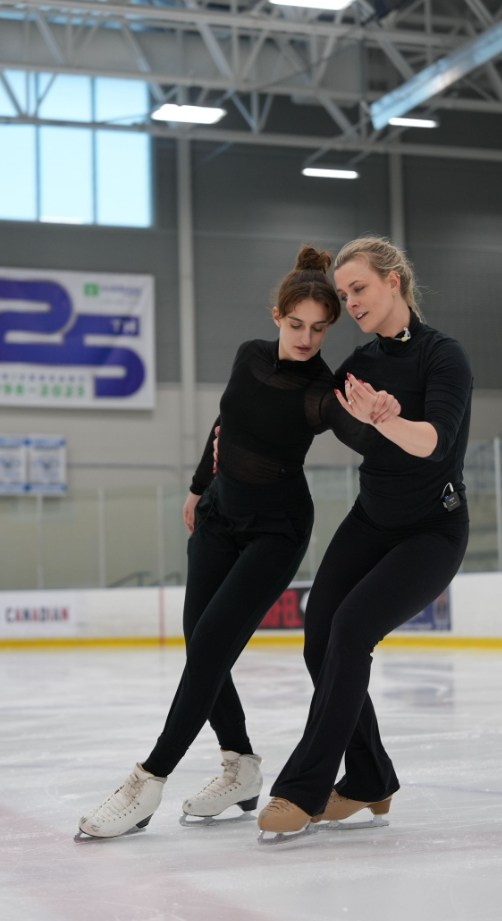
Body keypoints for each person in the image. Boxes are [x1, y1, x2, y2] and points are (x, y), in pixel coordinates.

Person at [77, 246, 401, 839]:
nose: (307, 339)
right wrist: (200, 487)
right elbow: (225, 424)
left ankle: (147, 781)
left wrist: (383, 417)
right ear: (276, 316)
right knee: (199, 642)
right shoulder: (248, 357)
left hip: (276, 533)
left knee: (207, 651)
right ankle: (240, 764)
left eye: (320, 330)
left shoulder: (321, 392)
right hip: (220, 516)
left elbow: (366, 438)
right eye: (297, 325)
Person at [257, 236, 473, 841]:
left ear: (394, 280)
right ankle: (370, 778)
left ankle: (303, 789)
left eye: (360, 289)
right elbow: (302, 411)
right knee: (317, 638)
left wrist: (388, 418)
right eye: (345, 293)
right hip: (371, 520)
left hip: (432, 529)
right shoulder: (358, 368)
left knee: (351, 631)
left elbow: (433, 445)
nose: (350, 301)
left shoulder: (444, 357)